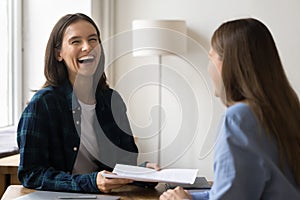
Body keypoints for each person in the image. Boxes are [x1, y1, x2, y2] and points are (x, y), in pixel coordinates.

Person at [17, 13, 159, 194]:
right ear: (58, 53)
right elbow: (31, 174)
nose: (87, 47)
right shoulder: (43, 104)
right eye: (76, 41)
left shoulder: (111, 100)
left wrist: (144, 173)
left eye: (93, 40)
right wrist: (91, 182)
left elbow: (124, 166)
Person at [160, 18, 300, 199]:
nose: (209, 69)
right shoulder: (289, 110)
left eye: (211, 59)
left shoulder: (239, 119)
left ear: (229, 64)